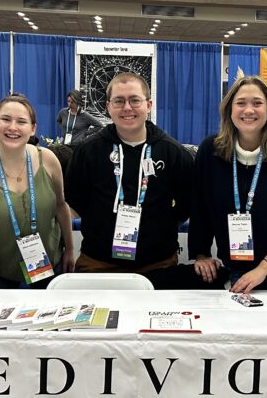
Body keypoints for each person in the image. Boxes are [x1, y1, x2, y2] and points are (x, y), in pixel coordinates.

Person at [190, 76, 267, 293]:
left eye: (257, 103)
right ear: (229, 110)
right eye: (241, 103)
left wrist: (263, 269)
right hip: (241, 268)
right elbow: (200, 207)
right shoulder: (210, 151)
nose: (248, 110)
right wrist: (201, 254)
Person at [64, 72, 193, 277]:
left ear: (148, 105)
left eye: (134, 100)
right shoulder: (88, 150)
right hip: (98, 262)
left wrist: (160, 226)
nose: (127, 108)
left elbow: (187, 203)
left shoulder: (172, 152)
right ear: (108, 107)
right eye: (119, 101)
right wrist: (101, 224)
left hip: (158, 263)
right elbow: (75, 196)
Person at [0, 94, 74, 293]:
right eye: (6, 119)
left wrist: (70, 250)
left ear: (33, 129)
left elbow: (61, 206)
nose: (13, 127)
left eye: (21, 121)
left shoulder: (48, 159)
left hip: (48, 268)